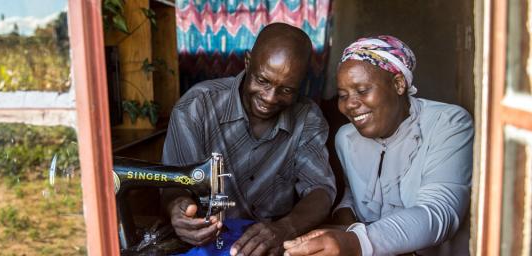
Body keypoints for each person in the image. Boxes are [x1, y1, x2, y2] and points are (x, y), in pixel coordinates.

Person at [283, 35, 473, 256]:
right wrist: (344, 218)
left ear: (399, 84)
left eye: (362, 91)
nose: (350, 104)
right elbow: (352, 191)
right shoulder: (346, 138)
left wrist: (356, 241)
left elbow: (440, 212)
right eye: (343, 95)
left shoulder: (448, 123)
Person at [162, 23, 336, 256]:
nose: (270, 97)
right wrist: (178, 208)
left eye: (286, 90)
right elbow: (174, 184)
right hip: (206, 243)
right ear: (247, 62)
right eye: (263, 81)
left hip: (273, 243)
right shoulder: (197, 107)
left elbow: (321, 190)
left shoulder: (307, 119)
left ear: (302, 83)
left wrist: (286, 227)